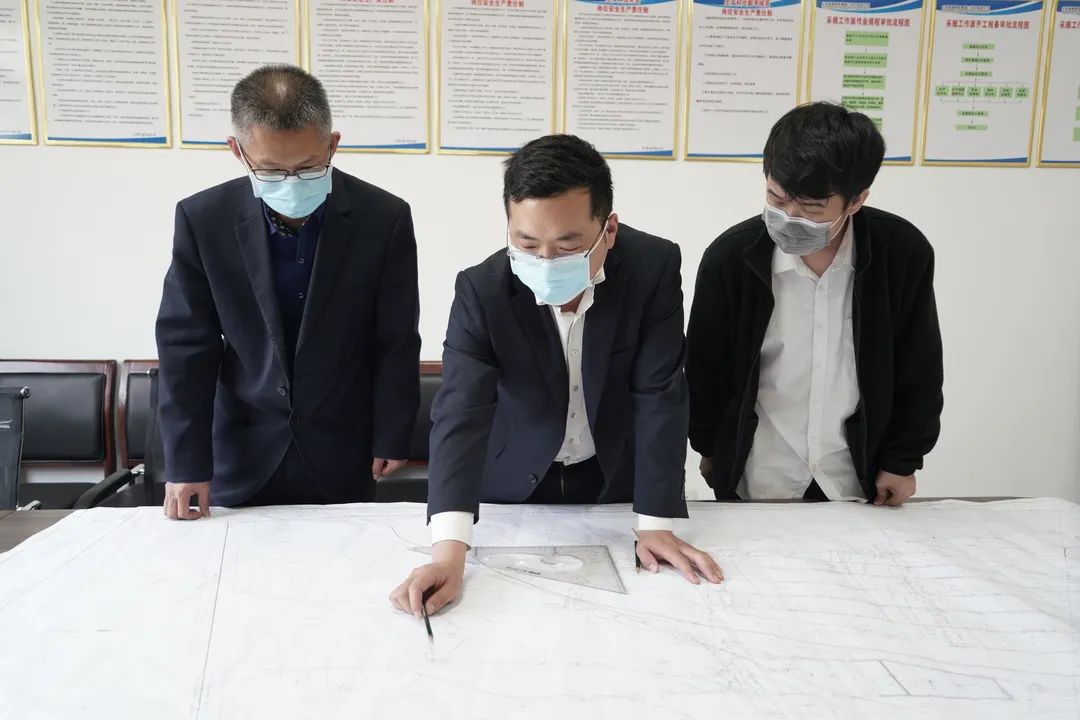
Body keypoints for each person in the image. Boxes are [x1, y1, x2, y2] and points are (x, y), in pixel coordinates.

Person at [390, 135, 723, 619]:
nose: (545, 261)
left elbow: (659, 393)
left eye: (567, 245)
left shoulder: (652, 269)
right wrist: (448, 552)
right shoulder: (482, 290)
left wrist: (655, 523)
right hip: (512, 487)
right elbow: (461, 413)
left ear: (609, 230)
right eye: (526, 244)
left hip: (613, 482)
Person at [156, 64, 420, 519]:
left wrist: (392, 433)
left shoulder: (384, 217)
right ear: (238, 151)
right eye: (272, 171)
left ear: (332, 144)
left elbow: (395, 337)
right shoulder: (204, 219)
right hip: (241, 448)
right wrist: (186, 463)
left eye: (309, 167)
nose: (292, 183)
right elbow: (186, 348)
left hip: (343, 449)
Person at [686, 102, 943, 506]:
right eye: (776, 198)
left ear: (856, 200)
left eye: (811, 207)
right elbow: (705, 370)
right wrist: (711, 448)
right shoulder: (730, 258)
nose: (790, 217)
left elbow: (919, 366)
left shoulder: (901, 253)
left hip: (856, 476)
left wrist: (903, 460)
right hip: (760, 475)